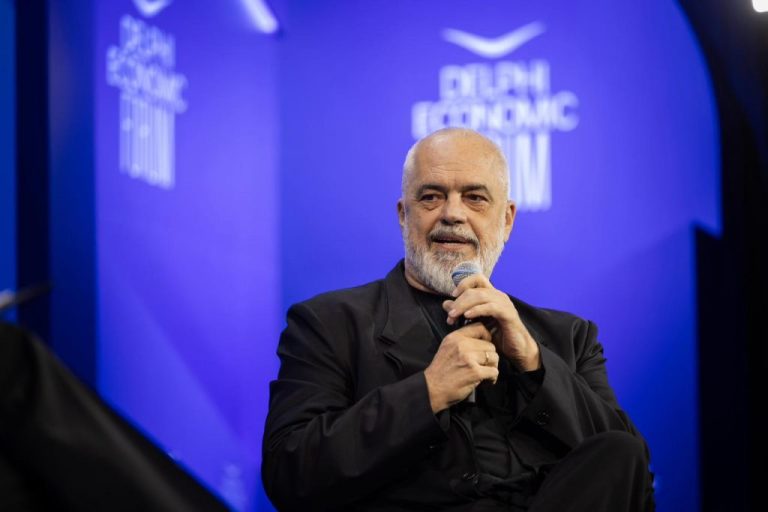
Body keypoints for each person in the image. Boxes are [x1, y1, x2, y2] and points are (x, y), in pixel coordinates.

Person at [262, 128, 654, 511]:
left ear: (507, 220)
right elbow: (289, 471)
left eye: (475, 198)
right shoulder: (330, 323)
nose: (452, 214)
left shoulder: (569, 337)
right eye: (431, 197)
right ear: (403, 215)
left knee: (619, 449)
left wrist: (534, 364)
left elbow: (628, 473)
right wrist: (428, 392)